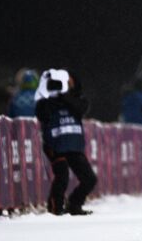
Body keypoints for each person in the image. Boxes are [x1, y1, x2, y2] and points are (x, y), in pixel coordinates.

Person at [35, 69, 97, 215]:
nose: (63, 85)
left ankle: (74, 205)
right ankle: (55, 209)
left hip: (73, 147)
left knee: (89, 179)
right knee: (62, 176)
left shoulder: (77, 100)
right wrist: (47, 93)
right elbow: (42, 114)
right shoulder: (46, 102)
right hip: (55, 146)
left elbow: (81, 108)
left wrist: (64, 96)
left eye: (66, 83)